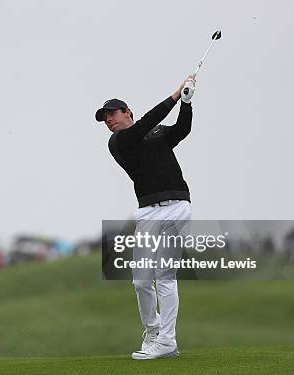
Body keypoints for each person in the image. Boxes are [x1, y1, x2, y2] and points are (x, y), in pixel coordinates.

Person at [95, 75, 196, 360]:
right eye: (105, 118)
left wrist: (186, 103)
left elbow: (181, 130)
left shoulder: (158, 133)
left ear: (127, 111)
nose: (109, 121)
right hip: (148, 212)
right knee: (140, 280)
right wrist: (175, 96)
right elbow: (145, 125)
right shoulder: (119, 142)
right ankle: (152, 332)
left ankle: (167, 342)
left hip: (177, 206)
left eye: (112, 114)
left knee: (164, 276)